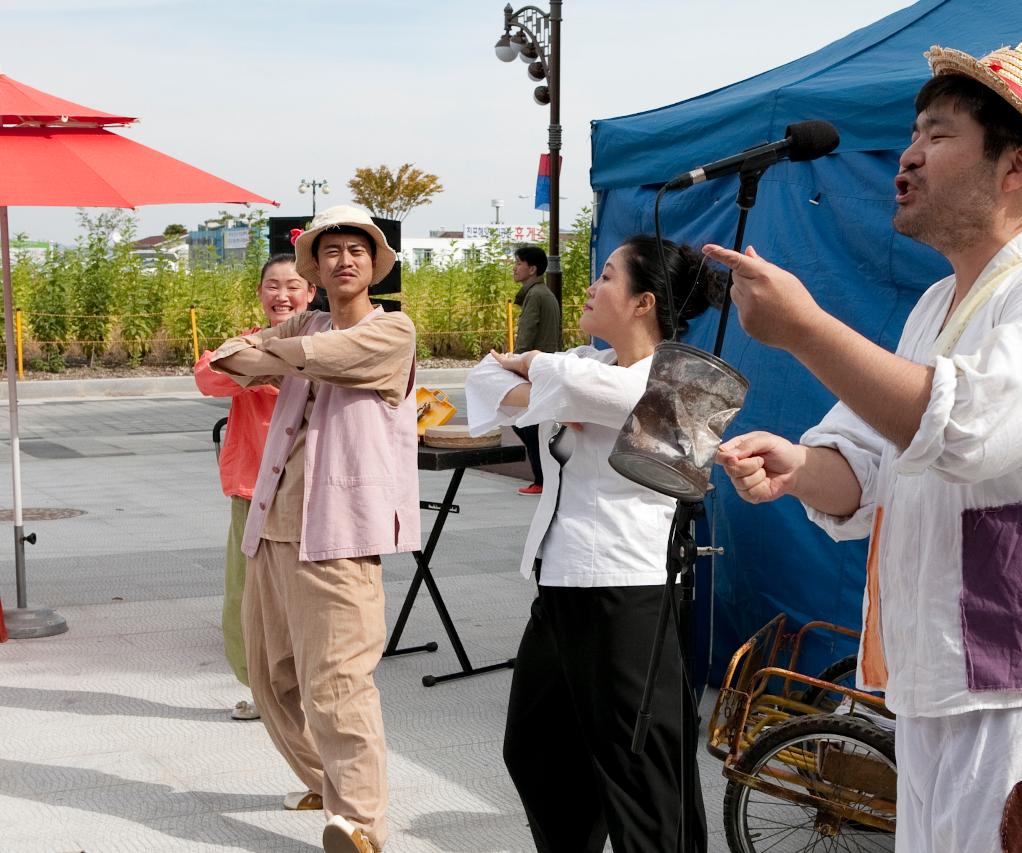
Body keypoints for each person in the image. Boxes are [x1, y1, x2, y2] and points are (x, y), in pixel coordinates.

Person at [709, 42, 1022, 853]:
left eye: (938, 135)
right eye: (915, 133)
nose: (908, 155)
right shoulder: (933, 308)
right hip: (936, 686)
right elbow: (867, 467)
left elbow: (965, 430)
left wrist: (805, 328)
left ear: (1016, 165)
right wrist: (798, 469)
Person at [466, 235, 720, 853]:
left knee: (642, 773)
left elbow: (651, 405)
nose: (589, 286)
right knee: (534, 748)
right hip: (559, 581)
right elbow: (483, 374)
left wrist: (547, 377)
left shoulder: (682, 386)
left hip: (627, 590)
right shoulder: (589, 366)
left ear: (643, 302)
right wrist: (559, 385)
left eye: (606, 276)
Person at [209, 205, 419, 853]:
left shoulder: (394, 331)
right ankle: (328, 786)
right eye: (332, 251)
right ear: (316, 267)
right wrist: (278, 351)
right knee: (271, 680)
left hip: (340, 531)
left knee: (337, 680)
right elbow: (224, 357)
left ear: (374, 263)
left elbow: (323, 355)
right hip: (273, 523)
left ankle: (360, 822)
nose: (345, 259)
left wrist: (274, 353)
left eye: (357, 249)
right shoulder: (310, 322)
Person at [194, 253, 315, 722]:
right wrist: (265, 348)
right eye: (272, 286)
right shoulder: (245, 344)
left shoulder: (330, 342)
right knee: (245, 594)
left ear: (310, 293)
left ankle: (308, 687)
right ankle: (260, 689)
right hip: (253, 487)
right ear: (260, 293)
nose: (281, 295)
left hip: (309, 488)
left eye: (293, 286)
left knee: (305, 594)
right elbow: (208, 377)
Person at [510, 244, 560, 495]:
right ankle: (544, 478)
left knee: (524, 421)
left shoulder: (536, 295)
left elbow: (527, 334)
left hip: (534, 367)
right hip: (543, 365)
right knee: (531, 422)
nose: (515, 268)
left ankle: (543, 478)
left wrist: (516, 363)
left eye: (519, 263)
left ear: (532, 269)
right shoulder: (542, 293)